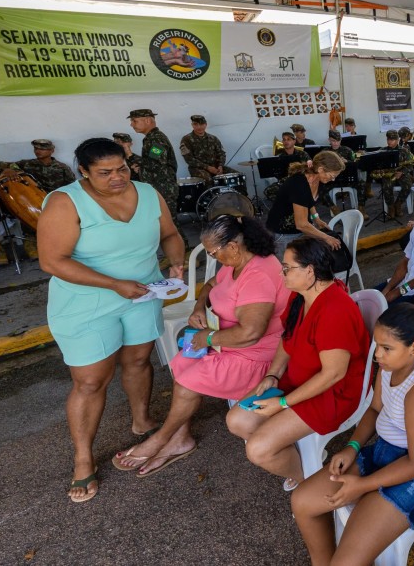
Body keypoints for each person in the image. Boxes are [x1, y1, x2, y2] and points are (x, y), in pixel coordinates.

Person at [39, 138, 185, 502]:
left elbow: (170, 234)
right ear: (84, 172)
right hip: (85, 302)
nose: (117, 177)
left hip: (142, 294)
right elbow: (52, 261)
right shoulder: (65, 201)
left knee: (138, 360)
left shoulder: (148, 193)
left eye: (122, 168)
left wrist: (176, 261)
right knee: (90, 381)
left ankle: (142, 420)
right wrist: (113, 284)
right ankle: (83, 458)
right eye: (104, 173)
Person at [112, 215, 291, 476]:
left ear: (233, 246)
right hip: (227, 343)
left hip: (255, 356)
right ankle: (180, 437)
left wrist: (207, 338)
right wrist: (199, 307)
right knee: (181, 364)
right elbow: (210, 284)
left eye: (213, 253)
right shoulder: (237, 261)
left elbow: (251, 333)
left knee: (187, 383)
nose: (212, 257)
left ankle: (161, 439)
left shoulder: (258, 275)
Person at [290, 304, 414, 565]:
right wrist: (352, 447)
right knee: (302, 502)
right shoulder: (390, 367)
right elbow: (374, 409)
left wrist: (363, 485)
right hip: (384, 453)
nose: (377, 354)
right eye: (377, 345)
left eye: (386, 348)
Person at [227, 237, 370, 491]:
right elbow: (288, 337)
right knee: (237, 420)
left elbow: (333, 374)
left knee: (258, 449)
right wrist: (273, 374)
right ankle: (298, 458)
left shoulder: (335, 310)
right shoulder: (300, 296)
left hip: (331, 395)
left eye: (286, 268)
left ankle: (307, 482)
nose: (281, 273)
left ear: (310, 271)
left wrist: (283, 403)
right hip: (298, 380)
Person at [125, 108, 186, 247]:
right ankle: (177, 252)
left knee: (170, 223)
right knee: (164, 223)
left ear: (147, 120)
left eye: (134, 121)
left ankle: (183, 252)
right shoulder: (150, 138)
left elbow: (155, 163)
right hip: (157, 187)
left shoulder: (157, 139)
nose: (131, 124)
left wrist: (130, 153)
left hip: (164, 187)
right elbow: (152, 163)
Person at [265, 151, 345, 254]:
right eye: (332, 175)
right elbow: (301, 224)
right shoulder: (299, 184)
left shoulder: (318, 180)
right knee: (288, 263)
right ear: (320, 169)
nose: (333, 179)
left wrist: (316, 218)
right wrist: (327, 238)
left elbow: (308, 201)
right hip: (283, 233)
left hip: (299, 230)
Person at [365, 129, 414, 219]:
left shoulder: (404, 151)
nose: (389, 142)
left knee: (408, 185)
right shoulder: (382, 151)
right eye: (388, 139)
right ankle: (391, 207)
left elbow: (410, 165)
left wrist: (402, 172)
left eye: (392, 140)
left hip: (401, 173)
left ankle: (398, 204)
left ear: (397, 140)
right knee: (387, 186)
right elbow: (376, 165)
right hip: (388, 174)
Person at [179, 115, 228, 183]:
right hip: (198, 169)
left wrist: (220, 166)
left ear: (206, 124)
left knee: (237, 175)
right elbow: (189, 159)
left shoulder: (213, 138)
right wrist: (208, 167)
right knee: (208, 180)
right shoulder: (186, 139)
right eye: (196, 124)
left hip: (216, 167)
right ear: (192, 125)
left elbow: (221, 153)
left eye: (202, 124)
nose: (199, 127)